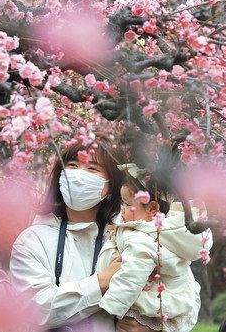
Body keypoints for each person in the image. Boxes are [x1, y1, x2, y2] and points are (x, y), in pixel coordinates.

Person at [10, 135, 141, 332]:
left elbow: (181, 296)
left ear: (111, 186)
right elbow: (36, 310)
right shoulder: (32, 240)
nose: (79, 175)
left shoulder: (130, 235)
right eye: (72, 165)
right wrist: (102, 282)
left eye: (92, 168)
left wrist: (150, 325)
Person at [96, 163, 213, 332]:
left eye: (128, 204)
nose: (122, 209)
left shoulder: (143, 239)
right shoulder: (165, 234)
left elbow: (132, 275)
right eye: (122, 202)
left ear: (152, 209)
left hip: (143, 306)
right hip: (159, 305)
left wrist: (111, 305)